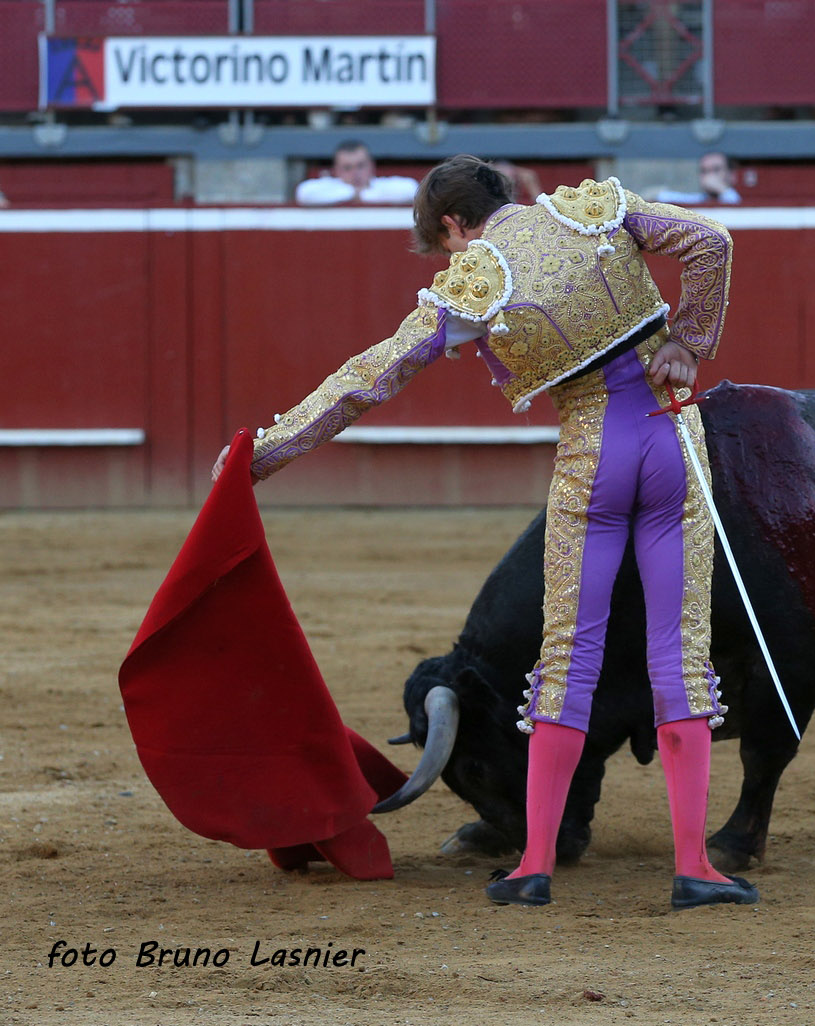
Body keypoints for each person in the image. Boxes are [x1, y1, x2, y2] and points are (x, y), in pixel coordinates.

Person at [211, 156, 756, 910]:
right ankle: (696, 867)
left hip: (592, 452)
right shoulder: (593, 207)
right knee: (678, 656)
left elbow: (370, 376)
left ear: (450, 226)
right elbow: (712, 241)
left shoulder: (474, 280)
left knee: (569, 655)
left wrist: (262, 454)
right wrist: (688, 343)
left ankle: (533, 863)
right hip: (671, 433)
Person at [294, 140, 419, 206]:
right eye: (347, 168)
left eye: (360, 166)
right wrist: (352, 193)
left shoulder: (381, 185)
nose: (355, 173)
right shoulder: (331, 186)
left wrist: (364, 195)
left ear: (371, 165)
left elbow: (411, 189)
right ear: (336, 170)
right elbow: (304, 193)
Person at [651, 151, 742, 205]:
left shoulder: (733, 196)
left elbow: (735, 203)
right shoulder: (698, 199)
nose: (709, 176)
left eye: (716, 169)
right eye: (704, 171)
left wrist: (722, 189)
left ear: (731, 175)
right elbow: (664, 197)